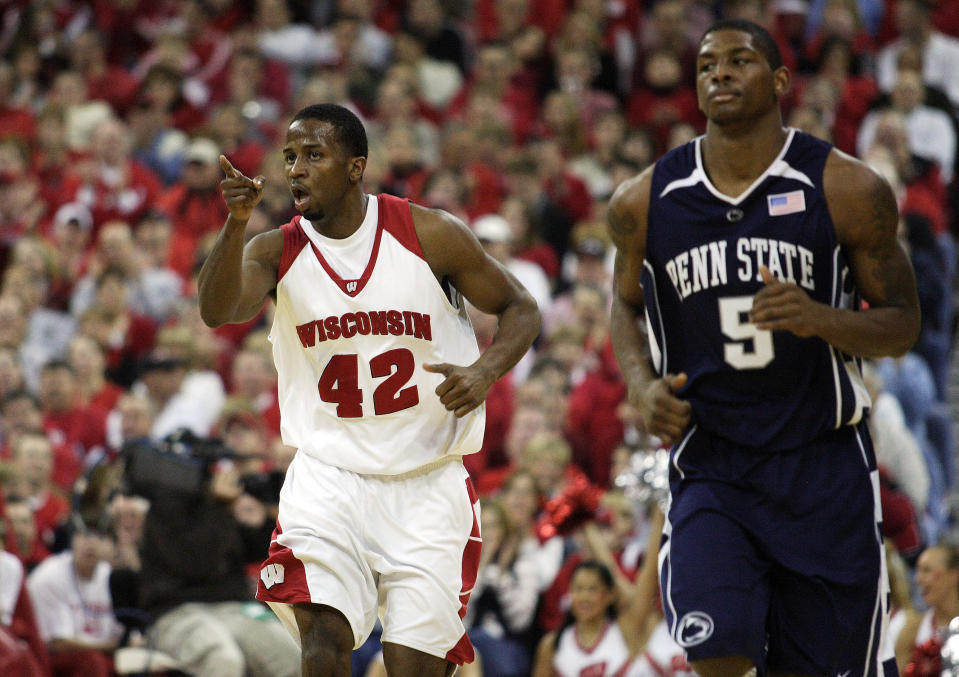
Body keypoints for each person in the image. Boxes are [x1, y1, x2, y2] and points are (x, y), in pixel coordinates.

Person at [606, 18, 920, 677]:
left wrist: (819, 318)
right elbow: (625, 305)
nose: (718, 72)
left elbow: (901, 323)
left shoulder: (848, 189)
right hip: (712, 463)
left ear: (778, 80)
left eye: (738, 60)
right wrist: (640, 384)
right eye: (705, 64)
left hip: (821, 465)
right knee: (716, 648)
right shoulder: (643, 200)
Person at [196, 103, 540, 676]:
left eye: (313, 155)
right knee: (324, 638)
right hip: (330, 476)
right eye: (289, 157)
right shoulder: (275, 250)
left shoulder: (427, 232)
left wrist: (484, 372)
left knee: (412, 666)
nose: (296, 169)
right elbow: (216, 310)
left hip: (426, 481)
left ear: (355, 167)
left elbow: (520, 308)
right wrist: (235, 224)